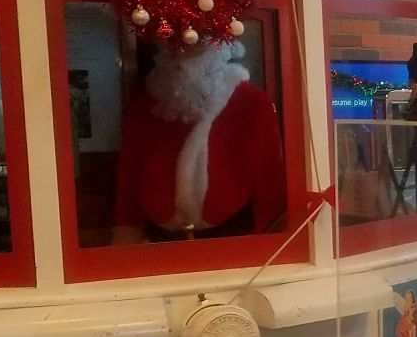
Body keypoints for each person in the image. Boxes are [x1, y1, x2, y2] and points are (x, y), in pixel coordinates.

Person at [112, 39, 287, 241]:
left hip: (231, 240)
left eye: (198, 41)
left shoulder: (251, 103)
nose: (184, 50)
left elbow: (269, 182)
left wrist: (270, 243)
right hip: (160, 243)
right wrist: (127, 234)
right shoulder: (143, 103)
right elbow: (129, 177)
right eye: (176, 42)